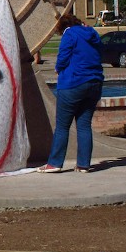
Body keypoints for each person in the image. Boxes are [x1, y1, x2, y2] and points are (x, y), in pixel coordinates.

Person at [38, 14, 104, 174]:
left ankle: (55, 163)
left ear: (63, 27)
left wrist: (58, 68)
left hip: (73, 83)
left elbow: (63, 56)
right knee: (84, 125)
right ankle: (83, 165)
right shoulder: (93, 33)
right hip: (95, 82)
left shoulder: (70, 34)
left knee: (62, 126)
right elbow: (100, 51)